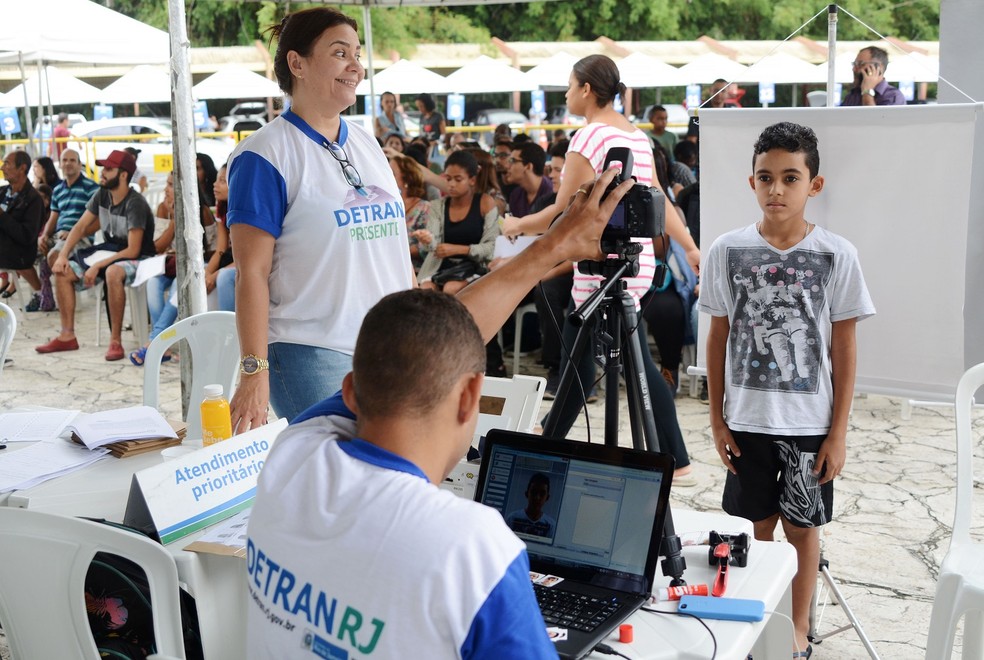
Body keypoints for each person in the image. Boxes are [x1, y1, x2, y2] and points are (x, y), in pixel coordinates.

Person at [245, 157, 638, 660]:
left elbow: (433, 342)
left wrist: (553, 245)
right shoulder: (472, 551)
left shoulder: (294, 451)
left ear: (350, 391)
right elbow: (443, 337)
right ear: (471, 396)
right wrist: (553, 246)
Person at [700, 122, 875, 658]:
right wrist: (717, 418)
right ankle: (757, 623)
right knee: (756, 528)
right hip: (746, 421)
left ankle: (796, 630)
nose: (776, 189)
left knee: (802, 528)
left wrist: (838, 432)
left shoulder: (837, 254)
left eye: (790, 178)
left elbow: (844, 346)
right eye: (765, 177)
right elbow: (718, 335)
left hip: (809, 426)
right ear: (751, 181)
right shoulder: (727, 250)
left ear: (813, 185)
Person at [501, 54, 696, 478]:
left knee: (584, 360)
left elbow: (562, 212)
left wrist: (517, 224)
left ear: (587, 89)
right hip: (636, 263)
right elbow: (661, 202)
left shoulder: (588, 137)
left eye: (570, 87)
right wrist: (691, 248)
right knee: (609, 360)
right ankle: (672, 457)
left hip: (599, 263)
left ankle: (553, 440)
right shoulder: (637, 137)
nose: (567, 95)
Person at [227, 7, 415, 429]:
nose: (356, 67)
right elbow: (250, 273)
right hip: (311, 351)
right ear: (297, 63)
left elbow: (395, 252)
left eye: (357, 54)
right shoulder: (264, 155)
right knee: (349, 461)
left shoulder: (368, 144)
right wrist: (254, 372)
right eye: (340, 53)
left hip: (390, 346)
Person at [35, 149, 155, 360]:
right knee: (62, 270)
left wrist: (98, 265)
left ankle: (115, 341)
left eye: (108, 169)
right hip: (110, 250)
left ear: (123, 175)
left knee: (112, 272)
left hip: (140, 258)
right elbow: (80, 227)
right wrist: (63, 255)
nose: (102, 172)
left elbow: (133, 250)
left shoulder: (135, 203)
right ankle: (67, 335)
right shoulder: (102, 194)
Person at [415, 150, 499, 295]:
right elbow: (434, 246)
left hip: (476, 266)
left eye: (458, 179)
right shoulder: (438, 206)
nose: (452, 184)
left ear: (472, 180)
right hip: (441, 267)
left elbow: (491, 247)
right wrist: (427, 240)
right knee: (425, 290)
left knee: (451, 288)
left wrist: (460, 250)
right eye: (448, 179)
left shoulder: (485, 203)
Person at [35, 148, 100, 313]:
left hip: (81, 238)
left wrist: (74, 234)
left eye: (72, 160)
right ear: (60, 165)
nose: (68, 163)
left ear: (79, 164)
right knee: (28, 251)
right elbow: (53, 218)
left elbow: (99, 222)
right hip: (59, 236)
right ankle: (43, 294)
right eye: (64, 160)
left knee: (53, 255)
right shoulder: (58, 190)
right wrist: (44, 235)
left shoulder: (91, 188)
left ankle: (65, 300)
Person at [0, 151, 47, 304]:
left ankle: (39, 293)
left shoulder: (33, 199)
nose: (2, 168)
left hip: (18, 252)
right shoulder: (2, 192)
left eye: (7, 163)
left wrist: (2, 216)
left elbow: (27, 236)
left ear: (22, 168)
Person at [388, 153, 431, 271]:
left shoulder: (424, 208)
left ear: (407, 178)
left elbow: (426, 247)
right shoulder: (386, 205)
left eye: (392, 173)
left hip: (413, 269)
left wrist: (394, 253)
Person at [842, 46, 906, 106]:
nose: (854, 69)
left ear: (878, 67)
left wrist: (867, 92)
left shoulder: (893, 96)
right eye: (854, 64)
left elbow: (871, 114)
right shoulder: (852, 96)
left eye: (860, 64)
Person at [504, 142, 553, 218]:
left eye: (512, 161)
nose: (507, 166)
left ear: (528, 166)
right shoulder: (515, 195)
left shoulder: (552, 194)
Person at [505, 473, 557, 538]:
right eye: (534, 492)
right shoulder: (512, 518)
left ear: (547, 497)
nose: (537, 497)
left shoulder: (551, 525)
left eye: (542, 494)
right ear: (527, 494)